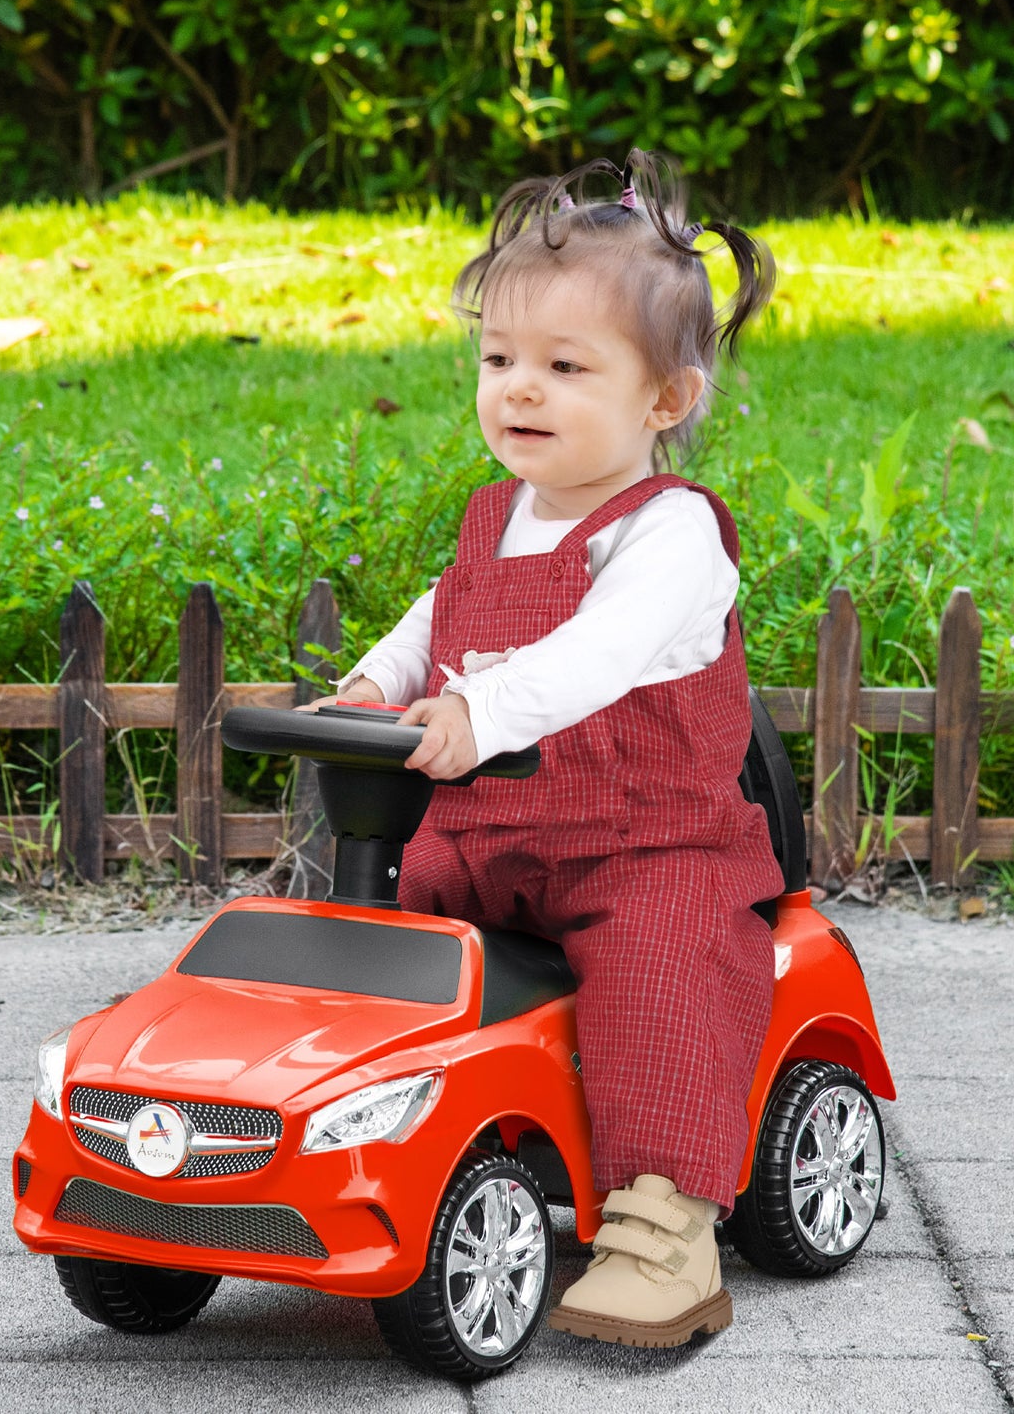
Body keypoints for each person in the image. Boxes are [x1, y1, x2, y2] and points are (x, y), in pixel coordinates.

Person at [310, 149, 785, 1347]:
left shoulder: (671, 536)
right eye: (498, 359)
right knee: (368, 937)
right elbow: (441, 615)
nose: (518, 390)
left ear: (660, 401)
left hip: (645, 844)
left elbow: (597, 653)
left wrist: (482, 712)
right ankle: (344, 1141)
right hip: (485, 841)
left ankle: (664, 1223)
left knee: (662, 974)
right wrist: (379, 682)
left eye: (564, 368)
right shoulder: (496, 514)